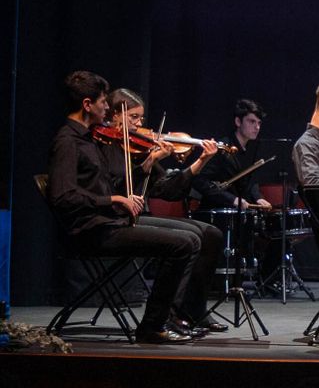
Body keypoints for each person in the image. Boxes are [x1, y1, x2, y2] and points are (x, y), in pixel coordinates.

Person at [45, 74, 224, 342]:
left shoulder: (91, 139)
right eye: (103, 102)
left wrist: (143, 169)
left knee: (195, 237)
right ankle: (153, 325)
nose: (106, 108)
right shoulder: (68, 142)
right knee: (184, 243)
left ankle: (173, 316)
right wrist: (114, 200)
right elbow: (62, 196)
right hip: (91, 230)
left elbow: (115, 183)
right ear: (87, 104)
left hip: (110, 222)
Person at [196, 99, 272, 212]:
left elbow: (250, 182)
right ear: (238, 122)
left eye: (259, 123)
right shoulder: (221, 148)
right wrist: (232, 199)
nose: (257, 127)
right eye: (252, 121)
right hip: (217, 212)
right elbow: (200, 181)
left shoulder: (252, 151)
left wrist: (258, 197)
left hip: (240, 213)